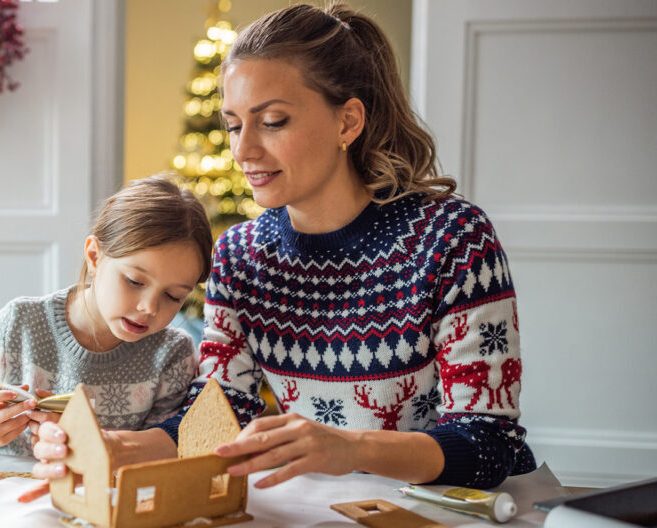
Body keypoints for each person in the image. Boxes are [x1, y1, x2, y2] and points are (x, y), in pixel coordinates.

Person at [32, 1, 535, 489]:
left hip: (459, 512)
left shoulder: (453, 238)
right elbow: (218, 414)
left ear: (348, 122)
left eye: (272, 121)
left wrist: (351, 449)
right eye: (233, 124)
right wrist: (118, 449)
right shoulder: (240, 257)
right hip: (326, 513)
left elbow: (489, 442)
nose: (243, 150)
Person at [0, 176, 213, 457]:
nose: (150, 307)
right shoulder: (16, 326)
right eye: (135, 281)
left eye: (173, 296)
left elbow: (160, 449)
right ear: (95, 256)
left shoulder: (173, 354)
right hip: (15, 489)